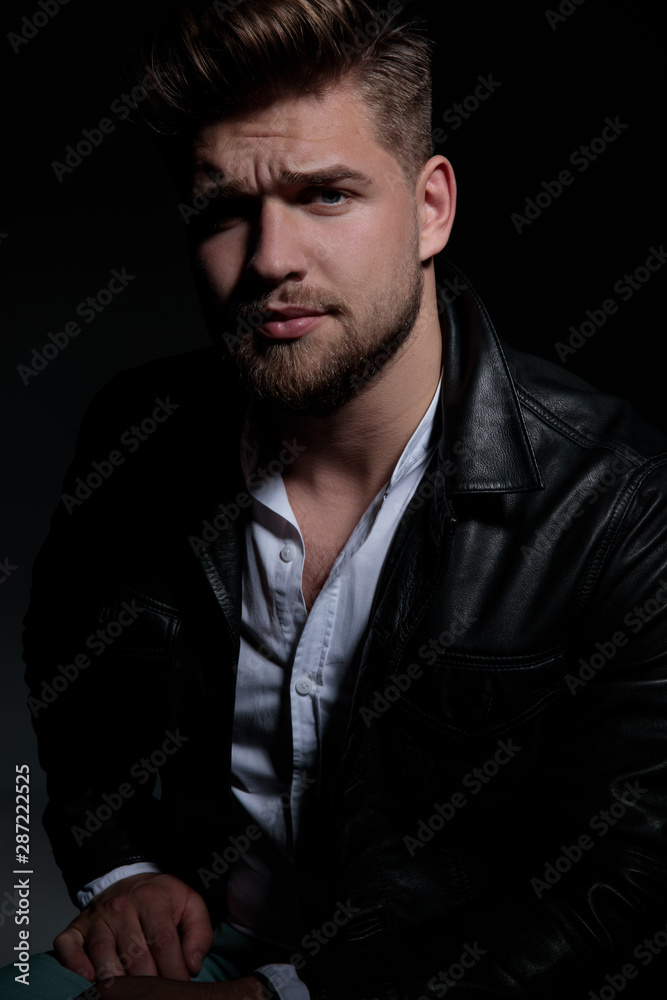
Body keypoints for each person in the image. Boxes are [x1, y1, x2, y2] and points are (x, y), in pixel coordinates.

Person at [4, 0, 667, 997]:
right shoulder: (138, 436)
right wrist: (125, 869)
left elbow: (620, 886)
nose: (269, 258)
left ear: (431, 208)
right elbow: (75, 690)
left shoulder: (614, 498)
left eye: (325, 196)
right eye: (223, 208)